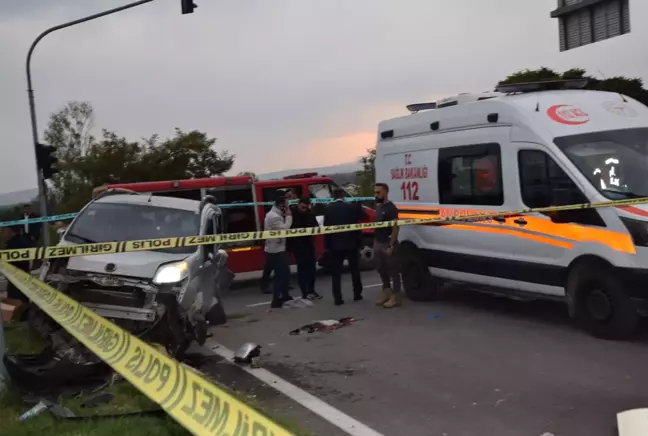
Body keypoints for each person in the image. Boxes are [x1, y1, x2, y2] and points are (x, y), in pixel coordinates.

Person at [323, 188, 367, 305]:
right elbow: (361, 221)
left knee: (336, 273)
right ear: (343, 196)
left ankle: (337, 298)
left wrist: (327, 246)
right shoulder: (351, 208)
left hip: (335, 245)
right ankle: (357, 294)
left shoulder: (328, 210)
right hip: (351, 243)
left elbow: (327, 230)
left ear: (333, 196)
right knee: (354, 270)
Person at [373, 183, 402, 308]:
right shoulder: (378, 207)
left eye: (378, 192)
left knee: (393, 270)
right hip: (378, 242)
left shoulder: (391, 208)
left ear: (385, 192)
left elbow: (395, 228)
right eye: (375, 192)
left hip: (388, 242)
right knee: (381, 268)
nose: (376, 195)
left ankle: (396, 296)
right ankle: (387, 291)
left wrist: (391, 245)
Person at [288, 196, 322, 300]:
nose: (304, 207)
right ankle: (304, 293)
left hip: (308, 244)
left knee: (312, 269)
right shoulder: (292, 214)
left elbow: (316, 227)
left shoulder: (310, 214)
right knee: (302, 270)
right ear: (299, 204)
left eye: (306, 206)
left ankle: (311, 290)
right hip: (298, 245)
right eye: (303, 205)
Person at [264, 193, 294, 308]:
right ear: (281, 205)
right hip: (276, 250)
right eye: (286, 206)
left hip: (279, 248)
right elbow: (285, 229)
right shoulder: (274, 217)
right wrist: (289, 216)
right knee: (280, 274)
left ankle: (285, 295)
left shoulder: (275, 214)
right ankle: (276, 300)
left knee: (285, 272)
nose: (288, 208)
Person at [4, 225, 30, 302]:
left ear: (11, 232)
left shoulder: (12, 244)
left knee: (15, 295)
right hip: (23, 273)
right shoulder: (22, 242)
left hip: (14, 274)